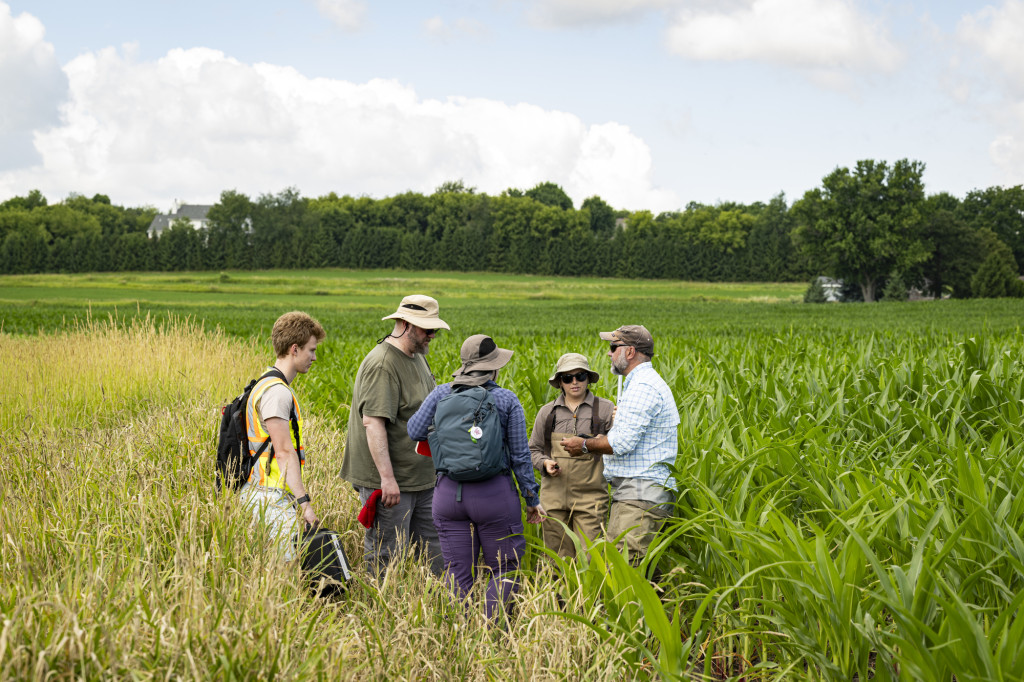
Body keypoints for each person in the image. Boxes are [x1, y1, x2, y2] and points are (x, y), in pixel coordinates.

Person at [408, 334, 544, 620]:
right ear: (494, 368)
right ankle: (493, 637)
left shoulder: (442, 393)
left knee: (457, 569)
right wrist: (532, 499)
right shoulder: (506, 399)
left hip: (448, 496)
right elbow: (520, 457)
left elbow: (414, 430)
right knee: (503, 568)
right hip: (494, 495)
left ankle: (461, 640)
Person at [340, 295, 448, 576]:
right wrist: (387, 480)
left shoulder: (417, 358)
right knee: (387, 556)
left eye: (434, 329)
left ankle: (437, 611)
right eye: (427, 329)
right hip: (391, 484)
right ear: (405, 324)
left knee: (436, 554)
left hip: (422, 478)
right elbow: (373, 424)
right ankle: (382, 612)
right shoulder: (383, 364)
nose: (432, 335)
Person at [561, 325, 678, 565]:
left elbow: (621, 443)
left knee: (620, 574)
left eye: (614, 348)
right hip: (641, 494)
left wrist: (583, 445)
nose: (609, 353)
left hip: (639, 497)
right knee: (641, 575)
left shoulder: (642, 387)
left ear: (631, 352)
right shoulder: (640, 383)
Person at [241, 311, 326, 561]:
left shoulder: (263, 384)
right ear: (294, 349)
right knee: (284, 573)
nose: (314, 357)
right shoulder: (278, 393)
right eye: (311, 350)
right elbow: (284, 451)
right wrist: (305, 505)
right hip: (269, 498)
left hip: (259, 492)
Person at [529, 353, 614, 558]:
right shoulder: (547, 412)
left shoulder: (606, 409)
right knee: (557, 559)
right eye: (567, 378)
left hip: (591, 499)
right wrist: (545, 463)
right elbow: (533, 450)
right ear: (560, 382)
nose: (574, 382)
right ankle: (558, 592)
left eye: (580, 376)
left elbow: (619, 446)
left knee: (593, 559)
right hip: (553, 499)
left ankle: (590, 592)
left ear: (588, 378)